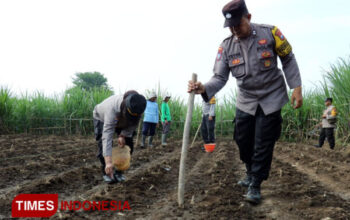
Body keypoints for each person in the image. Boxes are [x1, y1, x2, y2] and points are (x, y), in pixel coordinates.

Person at [188, 0, 303, 204]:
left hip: (271, 97)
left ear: (248, 18)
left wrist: (296, 87)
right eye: (230, 27)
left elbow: (288, 58)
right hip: (246, 100)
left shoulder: (271, 33)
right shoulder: (226, 46)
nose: (235, 30)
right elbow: (220, 77)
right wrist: (203, 88)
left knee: (263, 143)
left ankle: (256, 183)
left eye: (238, 25)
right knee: (242, 140)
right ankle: (250, 172)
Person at [93, 91, 146, 184]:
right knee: (103, 144)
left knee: (128, 144)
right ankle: (107, 171)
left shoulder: (138, 108)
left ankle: (119, 171)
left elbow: (133, 125)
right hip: (101, 118)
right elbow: (107, 137)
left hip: (123, 121)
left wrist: (123, 135)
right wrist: (108, 162)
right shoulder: (112, 108)